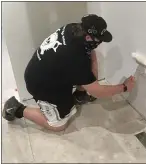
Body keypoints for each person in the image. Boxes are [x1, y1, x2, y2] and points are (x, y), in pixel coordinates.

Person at [3, 14, 135, 132]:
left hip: (48, 72)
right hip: (41, 85)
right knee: (58, 125)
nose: (100, 43)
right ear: (89, 37)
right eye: (99, 39)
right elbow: (98, 92)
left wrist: (87, 84)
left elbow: (90, 57)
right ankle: (16, 108)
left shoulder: (72, 28)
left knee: (87, 69)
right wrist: (123, 87)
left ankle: (79, 94)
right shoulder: (76, 57)